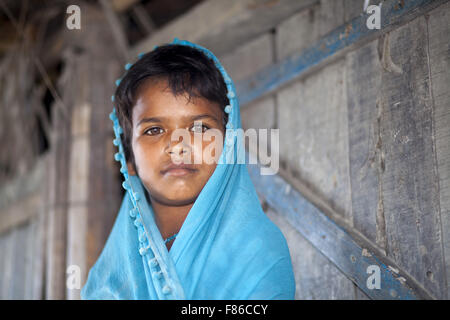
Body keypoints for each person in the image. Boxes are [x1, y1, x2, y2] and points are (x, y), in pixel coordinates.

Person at [81, 38, 295, 299]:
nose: (178, 146)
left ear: (228, 147)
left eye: (200, 128)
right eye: (154, 130)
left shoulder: (259, 253)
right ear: (129, 161)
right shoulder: (108, 277)